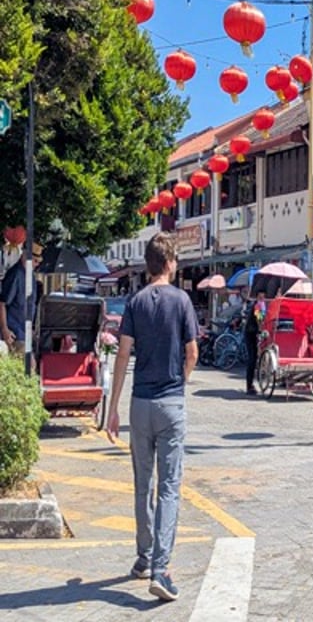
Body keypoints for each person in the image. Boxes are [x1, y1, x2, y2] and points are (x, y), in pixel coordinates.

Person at [106, 232, 199, 603]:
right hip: (171, 402)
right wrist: (181, 382)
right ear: (170, 263)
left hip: (139, 404)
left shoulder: (135, 302)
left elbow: (123, 355)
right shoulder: (182, 301)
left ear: (147, 265)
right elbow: (191, 353)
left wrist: (112, 408)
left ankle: (143, 558)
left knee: (143, 484)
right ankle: (161, 568)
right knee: (170, 487)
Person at [0, 242, 43, 355]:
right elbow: (2, 303)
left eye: (38, 262)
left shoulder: (31, 276)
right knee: (30, 366)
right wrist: (5, 330)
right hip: (14, 332)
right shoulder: (15, 275)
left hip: (24, 332)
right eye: (35, 261)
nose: (36, 264)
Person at [244, 289, 267, 395]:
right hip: (250, 333)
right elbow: (259, 320)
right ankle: (249, 386)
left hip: (255, 333)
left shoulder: (262, 306)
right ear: (257, 296)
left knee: (255, 359)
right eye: (260, 296)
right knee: (252, 359)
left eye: (263, 296)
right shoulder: (257, 306)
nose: (262, 298)